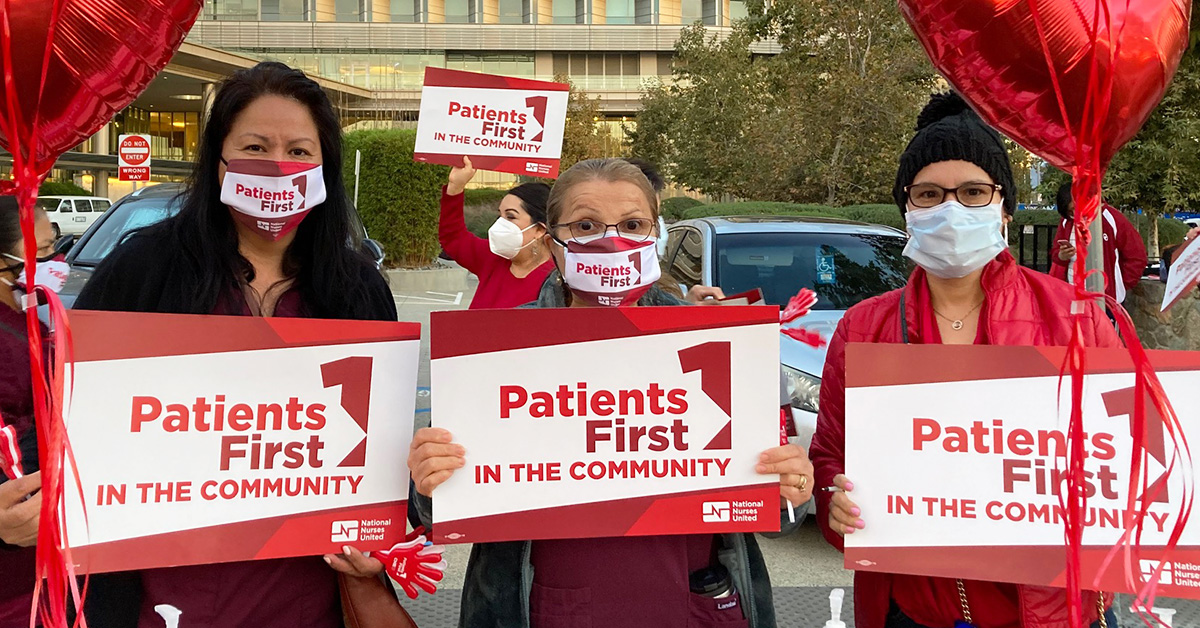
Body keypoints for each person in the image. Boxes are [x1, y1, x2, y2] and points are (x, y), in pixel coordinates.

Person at [408, 158, 812, 628]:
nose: (611, 239)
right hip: (541, 606)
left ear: (655, 235)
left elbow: (779, 515)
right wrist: (431, 482)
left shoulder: (717, 339)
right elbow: (439, 515)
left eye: (634, 224)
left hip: (694, 600)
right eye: (585, 225)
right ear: (552, 240)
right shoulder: (497, 350)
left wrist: (791, 488)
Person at [74, 62, 399, 628]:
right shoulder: (146, 268)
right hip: (160, 590)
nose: (279, 166)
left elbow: (379, 453)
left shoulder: (357, 288)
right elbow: (66, 405)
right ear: (218, 158)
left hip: (302, 591)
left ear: (325, 168)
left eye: (300, 151)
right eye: (255, 145)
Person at [809, 93, 1121, 628]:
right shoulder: (863, 327)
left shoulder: (1076, 317)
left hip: (1057, 609)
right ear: (906, 207)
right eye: (929, 194)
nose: (951, 209)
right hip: (916, 609)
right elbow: (830, 459)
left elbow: (1134, 448)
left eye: (974, 192)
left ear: (1005, 207)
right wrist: (837, 508)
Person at [0, 199, 60, 627]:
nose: (54, 261)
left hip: (45, 531)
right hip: (20, 518)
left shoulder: (26, 314)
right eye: (37, 253)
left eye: (53, 247)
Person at [439, 156, 554, 308]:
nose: (500, 224)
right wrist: (455, 187)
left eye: (511, 216)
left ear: (539, 229)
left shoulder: (555, 282)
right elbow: (454, 238)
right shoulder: (492, 259)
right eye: (500, 215)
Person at [1050, 180, 1148, 304]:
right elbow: (1055, 253)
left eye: (1077, 208)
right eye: (1071, 212)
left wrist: (1119, 286)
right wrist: (1061, 256)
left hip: (1105, 300)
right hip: (1073, 296)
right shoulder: (1067, 222)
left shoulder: (1111, 218)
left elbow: (1137, 256)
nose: (1076, 215)